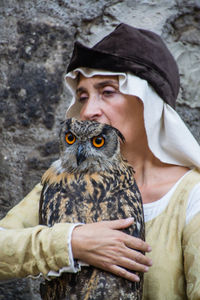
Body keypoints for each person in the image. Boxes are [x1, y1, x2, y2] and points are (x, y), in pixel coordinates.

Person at [0, 23, 200, 299]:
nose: (89, 110)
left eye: (107, 92)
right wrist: (71, 242)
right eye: (83, 97)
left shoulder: (192, 197)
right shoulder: (62, 178)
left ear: (149, 100)